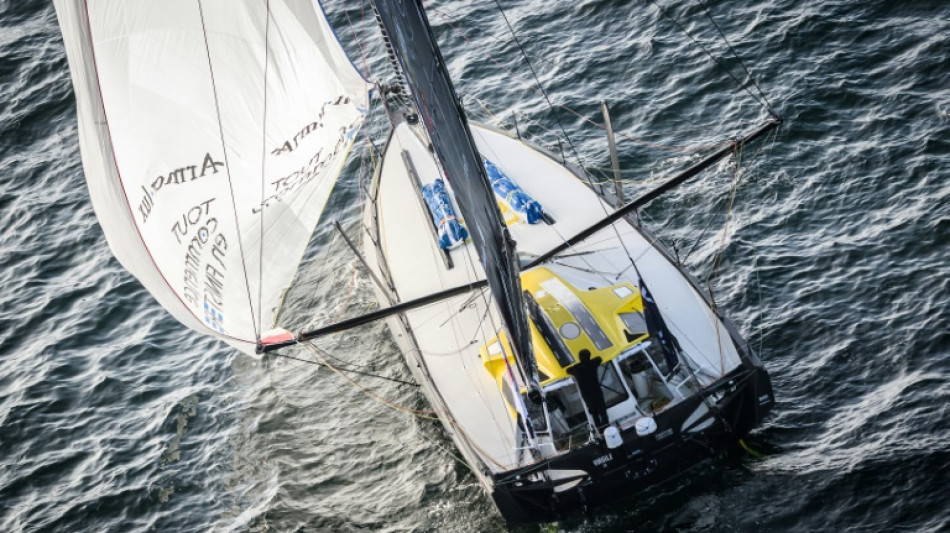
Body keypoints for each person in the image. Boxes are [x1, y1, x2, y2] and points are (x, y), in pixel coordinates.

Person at [566, 349, 609, 432]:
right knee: (603, 412)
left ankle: (600, 431)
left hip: (587, 395)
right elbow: (599, 358)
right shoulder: (593, 364)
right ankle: (607, 428)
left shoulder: (576, 369)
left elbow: (567, 370)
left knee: (594, 414)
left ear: (579, 358)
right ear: (589, 356)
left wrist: (578, 365)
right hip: (597, 392)